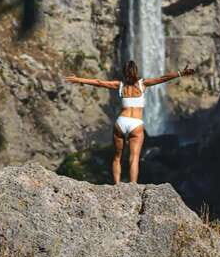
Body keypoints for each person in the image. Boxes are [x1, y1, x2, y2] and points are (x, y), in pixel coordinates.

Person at [64, 61, 195, 184]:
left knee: (117, 157)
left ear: (124, 72)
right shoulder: (142, 84)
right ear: (136, 71)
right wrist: (180, 73)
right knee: (134, 158)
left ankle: (117, 185)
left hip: (121, 122)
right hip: (136, 124)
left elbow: (98, 82)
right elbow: (162, 78)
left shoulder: (120, 85)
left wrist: (78, 79)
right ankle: (133, 187)